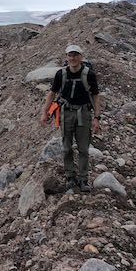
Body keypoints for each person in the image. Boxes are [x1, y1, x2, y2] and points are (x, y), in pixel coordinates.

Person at [40, 44, 102, 192]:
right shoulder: (61, 74)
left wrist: (97, 117)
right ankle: (69, 176)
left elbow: (96, 96)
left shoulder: (89, 75)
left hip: (84, 114)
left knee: (83, 149)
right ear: (66, 57)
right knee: (66, 148)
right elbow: (52, 94)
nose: (72, 58)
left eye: (75, 55)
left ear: (81, 56)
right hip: (65, 113)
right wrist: (45, 112)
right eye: (70, 55)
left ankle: (83, 179)